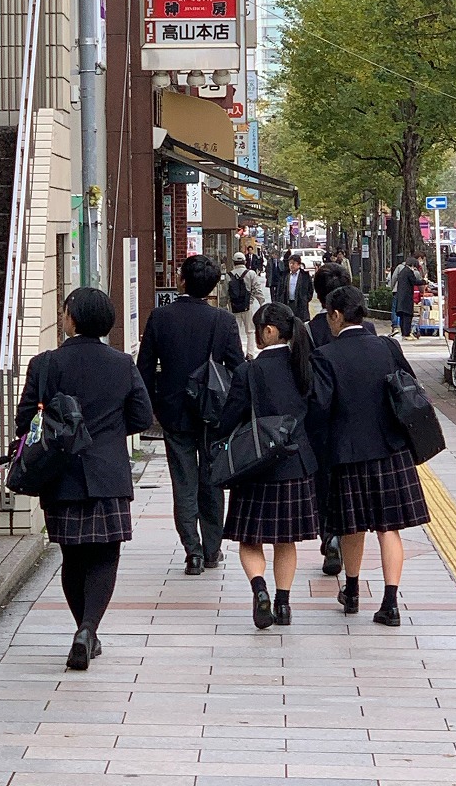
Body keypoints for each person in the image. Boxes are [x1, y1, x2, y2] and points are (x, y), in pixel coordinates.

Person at [15, 287, 153, 670]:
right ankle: (89, 629)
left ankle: (82, 629)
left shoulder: (45, 364)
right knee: (105, 555)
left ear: (71, 317)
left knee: (72, 556)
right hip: (108, 472)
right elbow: (142, 417)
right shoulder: (122, 363)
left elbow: (25, 420)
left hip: (61, 474)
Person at [311, 285, 431, 626]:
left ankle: (351, 592)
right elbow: (409, 387)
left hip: (348, 453)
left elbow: (319, 409)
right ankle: (390, 602)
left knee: (352, 527)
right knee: (389, 528)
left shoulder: (325, 356)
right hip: (392, 449)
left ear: (335, 315)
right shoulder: (387, 347)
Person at [137, 254, 245, 575]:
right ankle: (212, 550)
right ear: (213, 287)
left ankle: (192, 551)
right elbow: (238, 369)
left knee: (183, 481)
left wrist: (155, 405)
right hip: (213, 413)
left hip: (173, 412)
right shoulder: (223, 322)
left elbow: (144, 369)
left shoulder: (160, 317)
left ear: (181, 280)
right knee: (213, 479)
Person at [216, 302, 319, 629]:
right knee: (285, 540)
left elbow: (229, 418)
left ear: (270, 331)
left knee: (250, 540)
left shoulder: (249, 372)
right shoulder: (304, 365)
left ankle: (260, 590)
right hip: (295, 466)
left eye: (259, 329)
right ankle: (284, 604)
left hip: (256, 466)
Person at [309, 261, 377, 578]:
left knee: (324, 484)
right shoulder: (369, 330)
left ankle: (330, 536)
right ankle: (346, 538)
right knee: (354, 490)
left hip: (324, 425)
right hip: (363, 425)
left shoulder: (309, 330)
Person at [226, 252, 268, 358]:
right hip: (247, 306)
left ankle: (238, 353)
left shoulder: (228, 275)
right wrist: (262, 302)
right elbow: (257, 290)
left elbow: (224, 294)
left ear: (234, 262)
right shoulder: (251, 274)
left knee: (236, 332)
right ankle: (250, 353)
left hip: (233, 307)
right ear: (244, 261)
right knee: (250, 331)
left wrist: (223, 306)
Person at [275, 252, 315, 323]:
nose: (291, 265)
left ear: (299, 265)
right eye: (290, 263)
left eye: (293, 263)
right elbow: (279, 290)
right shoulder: (285, 275)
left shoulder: (305, 276)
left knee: (299, 323)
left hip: (300, 305)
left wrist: (305, 299)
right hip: (287, 303)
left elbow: (310, 290)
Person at [392, 255, 422, 340]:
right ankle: (406, 334)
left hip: (401, 297)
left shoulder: (402, 271)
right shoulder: (409, 272)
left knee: (402, 316)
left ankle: (404, 333)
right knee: (407, 316)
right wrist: (424, 281)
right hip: (406, 298)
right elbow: (414, 281)